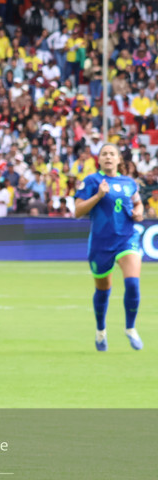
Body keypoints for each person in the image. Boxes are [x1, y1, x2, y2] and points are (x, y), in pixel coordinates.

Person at [74, 144, 145, 351]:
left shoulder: (129, 182)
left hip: (126, 238)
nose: (108, 157)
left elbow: (137, 203)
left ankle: (130, 328)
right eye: (104, 154)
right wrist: (98, 196)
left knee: (132, 283)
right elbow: (78, 211)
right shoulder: (91, 181)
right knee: (103, 290)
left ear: (118, 159)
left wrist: (139, 212)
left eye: (112, 154)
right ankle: (100, 331)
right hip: (101, 243)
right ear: (99, 159)